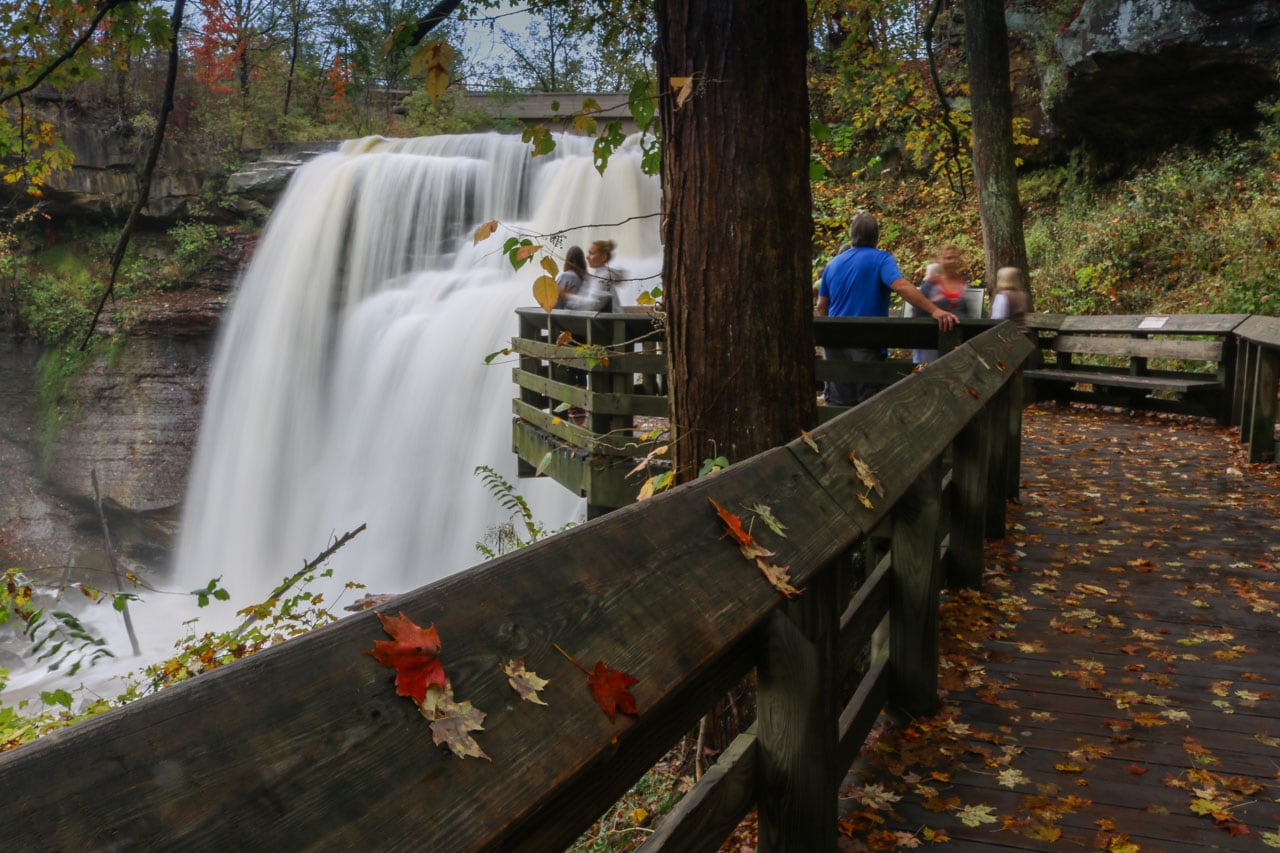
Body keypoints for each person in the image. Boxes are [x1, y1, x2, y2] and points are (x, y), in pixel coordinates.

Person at [815, 212, 958, 406]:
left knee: (839, 405)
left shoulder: (833, 264)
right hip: (866, 344)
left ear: (851, 236)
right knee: (868, 404)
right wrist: (935, 311)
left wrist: (827, 340)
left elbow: (822, 307)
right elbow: (900, 286)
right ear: (877, 237)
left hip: (836, 349)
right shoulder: (881, 259)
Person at [913, 245, 972, 364]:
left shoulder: (964, 285)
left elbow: (968, 315)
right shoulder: (930, 286)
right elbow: (917, 313)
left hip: (956, 343)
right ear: (941, 260)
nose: (952, 261)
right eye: (948, 258)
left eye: (955, 258)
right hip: (930, 343)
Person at [566, 239, 620, 312]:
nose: (587, 257)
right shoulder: (594, 276)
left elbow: (593, 305)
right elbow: (584, 297)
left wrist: (567, 296)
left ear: (603, 257)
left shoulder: (604, 276)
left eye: (591, 253)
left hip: (610, 322)